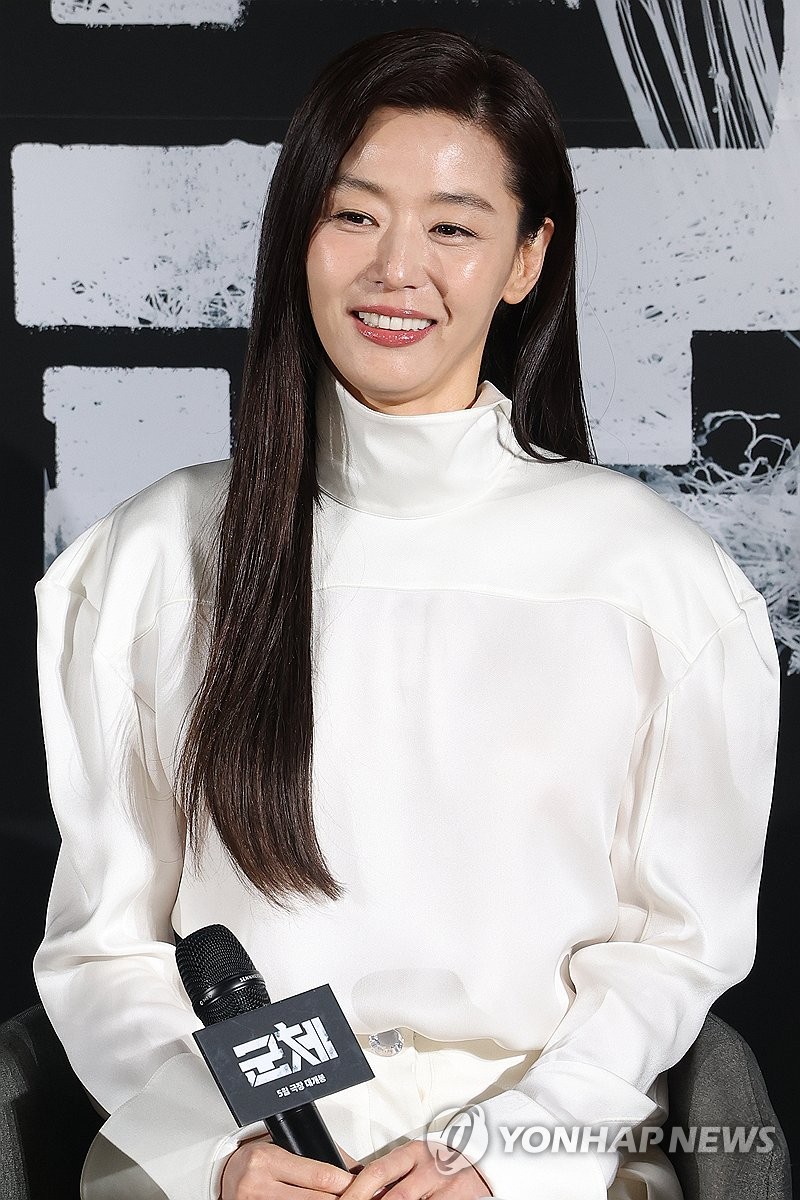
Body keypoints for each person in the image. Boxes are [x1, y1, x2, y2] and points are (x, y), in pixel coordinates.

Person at [32, 24, 780, 1200]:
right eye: (353, 215)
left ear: (525, 259)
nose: (395, 270)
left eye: (451, 228)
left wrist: (500, 1157)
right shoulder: (147, 559)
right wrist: (220, 1154)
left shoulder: (654, 579)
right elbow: (104, 948)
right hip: (245, 1141)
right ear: (298, 232)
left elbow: (671, 954)